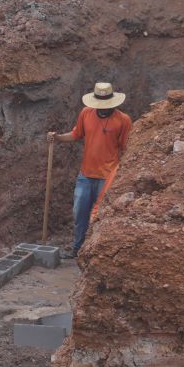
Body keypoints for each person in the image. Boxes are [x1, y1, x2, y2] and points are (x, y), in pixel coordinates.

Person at [49, 82, 133, 257]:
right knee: (79, 214)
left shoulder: (123, 120)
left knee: (98, 216)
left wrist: (121, 174)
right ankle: (78, 250)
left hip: (108, 176)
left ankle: (94, 254)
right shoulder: (86, 113)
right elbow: (76, 134)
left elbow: (127, 148)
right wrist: (57, 138)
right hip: (85, 175)